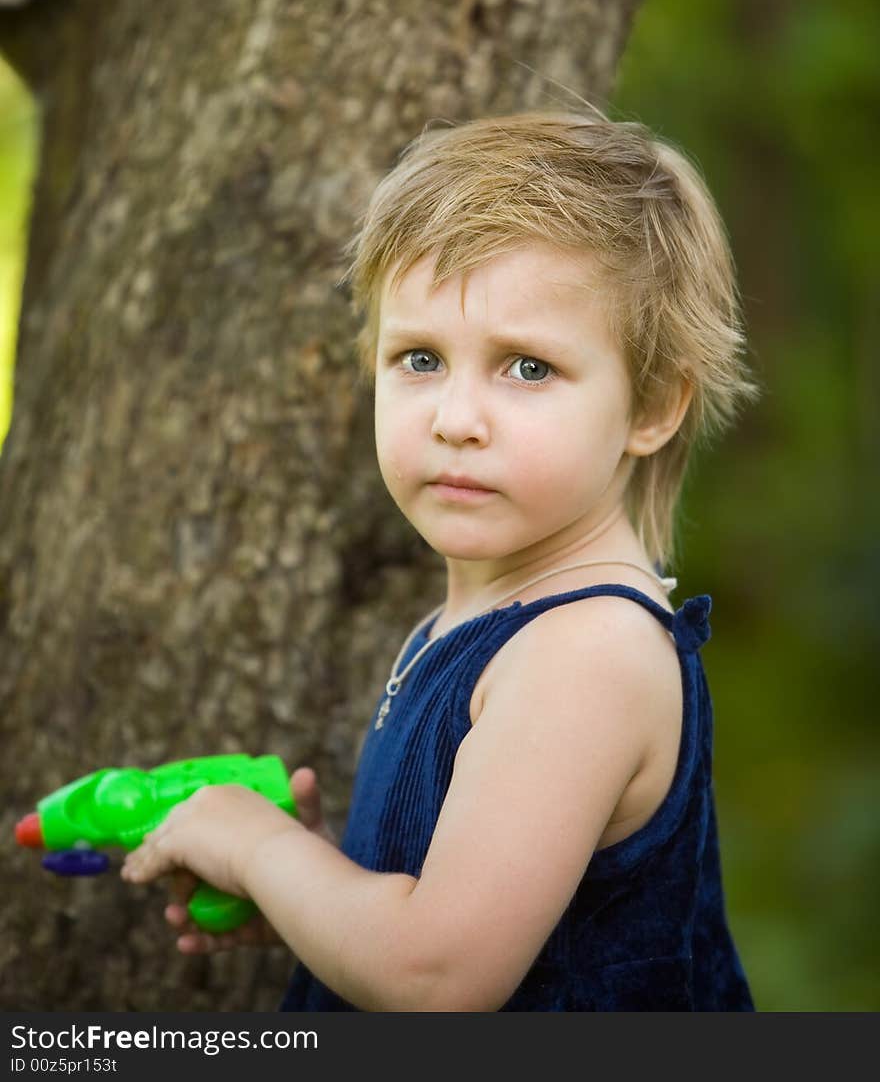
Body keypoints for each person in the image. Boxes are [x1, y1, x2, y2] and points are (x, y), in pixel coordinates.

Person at [121, 109, 761, 1011]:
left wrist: (258, 848)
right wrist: (308, 894)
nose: (455, 417)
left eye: (527, 368)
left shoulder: (587, 653)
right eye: (420, 357)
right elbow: (438, 917)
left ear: (653, 405)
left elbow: (435, 977)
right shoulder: (471, 624)